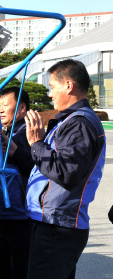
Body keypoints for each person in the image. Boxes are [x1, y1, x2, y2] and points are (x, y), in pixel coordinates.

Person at [23, 59, 105, 279]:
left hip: (58, 226)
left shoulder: (79, 123)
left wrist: (36, 144)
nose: (50, 94)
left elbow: (66, 172)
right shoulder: (72, 120)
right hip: (55, 223)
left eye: (52, 87)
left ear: (68, 86)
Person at [0, 87, 33, 279]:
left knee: (18, 270)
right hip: (3, 214)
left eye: (5, 105)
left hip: (22, 217)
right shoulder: (4, 132)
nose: (0, 109)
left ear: (22, 108)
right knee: (0, 270)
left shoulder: (28, 134)